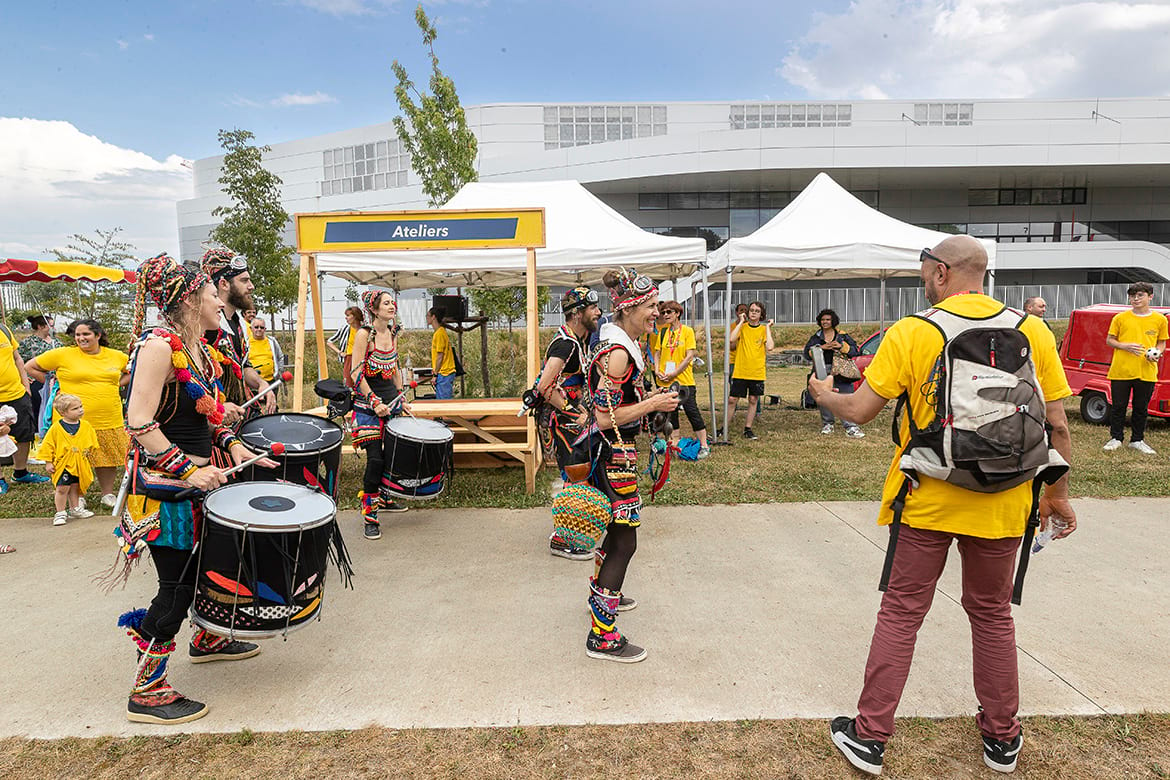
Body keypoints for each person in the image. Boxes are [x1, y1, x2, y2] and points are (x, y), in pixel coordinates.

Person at [810, 235, 1075, 776]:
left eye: (924, 269)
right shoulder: (1033, 330)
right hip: (1005, 500)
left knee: (903, 612)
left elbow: (860, 409)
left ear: (940, 272)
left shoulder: (915, 330)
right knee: (993, 615)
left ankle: (870, 735)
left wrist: (822, 394)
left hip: (927, 495)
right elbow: (1059, 425)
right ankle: (1002, 738)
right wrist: (1057, 495)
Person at [113, 252, 276, 724]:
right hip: (165, 492)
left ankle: (207, 638)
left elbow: (202, 414)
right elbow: (139, 421)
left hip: (197, 482)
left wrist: (231, 443)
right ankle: (147, 690)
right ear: (189, 298)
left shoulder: (195, 347)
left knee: (209, 567)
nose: (216, 296)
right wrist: (187, 469)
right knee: (176, 587)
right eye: (209, 290)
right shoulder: (159, 347)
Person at [582, 268, 678, 663]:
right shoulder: (618, 353)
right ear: (629, 307)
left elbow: (617, 406)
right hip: (611, 454)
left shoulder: (622, 346)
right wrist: (652, 405)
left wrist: (648, 404)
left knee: (618, 538)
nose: (658, 312)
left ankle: (607, 599)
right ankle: (602, 636)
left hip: (616, 452)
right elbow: (605, 417)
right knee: (625, 540)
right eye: (652, 306)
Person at [26, 319, 130, 507]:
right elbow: (29, 366)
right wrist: (53, 386)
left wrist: (117, 384)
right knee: (72, 458)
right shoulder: (62, 354)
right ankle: (77, 496)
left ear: (98, 335)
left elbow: (133, 371)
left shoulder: (117, 356)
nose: (81, 338)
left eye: (86, 334)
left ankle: (107, 494)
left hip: (108, 417)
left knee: (106, 457)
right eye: (78, 335)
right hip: (71, 420)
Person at [535, 286, 603, 560]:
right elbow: (543, 386)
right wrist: (576, 413)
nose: (598, 312)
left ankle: (574, 534)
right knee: (574, 478)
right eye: (593, 308)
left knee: (579, 477)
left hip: (571, 424)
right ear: (577, 314)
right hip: (564, 424)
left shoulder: (578, 340)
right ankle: (563, 540)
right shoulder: (566, 344)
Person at [350, 290, 409, 539]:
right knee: (375, 459)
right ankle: (370, 516)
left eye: (392, 302)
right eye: (386, 303)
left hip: (391, 404)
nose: (391, 306)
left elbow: (394, 366)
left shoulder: (393, 332)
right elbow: (355, 373)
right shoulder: (365, 335)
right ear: (374, 309)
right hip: (367, 406)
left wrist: (401, 397)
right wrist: (374, 402)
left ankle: (384, 499)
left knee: (390, 456)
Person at [200, 248, 275, 416]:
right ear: (224, 284)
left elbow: (242, 366)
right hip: (214, 422)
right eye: (244, 280)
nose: (251, 286)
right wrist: (217, 407)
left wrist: (261, 383)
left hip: (237, 417)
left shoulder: (238, 323)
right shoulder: (206, 328)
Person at [1103, 281, 1168, 454]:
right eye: (1132, 295)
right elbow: (1109, 340)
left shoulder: (1160, 319)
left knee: (1141, 408)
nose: (1136, 298)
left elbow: (1162, 342)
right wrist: (1125, 346)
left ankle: (1137, 440)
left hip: (1146, 370)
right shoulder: (1120, 318)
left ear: (1150, 296)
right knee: (1118, 406)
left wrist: (1157, 353)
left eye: (1140, 295)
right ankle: (1116, 438)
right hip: (1121, 370)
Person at [651, 300, 709, 457]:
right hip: (665, 380)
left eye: (669, 312)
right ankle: (674, 443)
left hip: (684, 380)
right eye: (663, 312)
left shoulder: (687, 331)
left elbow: (690, 355)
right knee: (670, 413)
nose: (665, 315)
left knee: (692, 411)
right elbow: (657, 353)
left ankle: (704, 445)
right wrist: (657, 370)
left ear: (677, 313)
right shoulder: (663, 332)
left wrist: (675, 372)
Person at [0, 319, 52, 492]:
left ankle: (20, 472)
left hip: (16, 393)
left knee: (24, 432)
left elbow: (17, 358)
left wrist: (26, 386)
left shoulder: (4, 330)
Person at [35, 393, 97, 525]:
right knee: (62, 488)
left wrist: (88, 452)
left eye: (81, 407)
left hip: (79, 463)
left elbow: (91, 441)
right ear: (63, 412)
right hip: (63, 464)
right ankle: (60, 512)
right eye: (75, 409)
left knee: (75, 486)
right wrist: (48, 462)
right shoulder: (56, 428)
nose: (80, 410)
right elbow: (48, 445)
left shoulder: (85, 425)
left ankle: (74, 508)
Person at [803, 308, 865, 438]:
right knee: (824, 398)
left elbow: (856, 351)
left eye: (828, 320)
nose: (825, 322)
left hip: (841, 370)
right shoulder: (816, 337)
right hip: (822, 369)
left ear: (833, 321)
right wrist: (821, 348)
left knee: (846, 397)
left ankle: (851, 426)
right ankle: (827, 424)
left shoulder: (842, 335)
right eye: (823, 320)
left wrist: (842, 347)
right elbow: (806, 354)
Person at [725, 301, 773, 440]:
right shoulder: (742, 327)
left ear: (761, 314)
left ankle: (748, 428)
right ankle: (724, 428)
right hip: (741, 370)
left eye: (757, 311)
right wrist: (741, 321)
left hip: (756, 371)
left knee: (753, 399)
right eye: (751, 310)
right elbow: (731, 339)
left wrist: (768, 327)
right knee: (732, 399)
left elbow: (769, 347)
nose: (753, 312)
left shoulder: (763, 330)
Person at [18, 314, 62, 431]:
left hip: (54, 381)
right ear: (40, 327)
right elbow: (17, 360)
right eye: (50, 326)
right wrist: (22, 377)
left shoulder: (56, 342)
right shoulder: (28, 343)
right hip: (35, 380)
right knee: (38, 408)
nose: (53, 329)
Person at [328, 307, 364, 388]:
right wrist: (340, 352)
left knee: (362, 383)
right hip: (349, 358)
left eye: (348, 315)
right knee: (348, 383)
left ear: (355, 316)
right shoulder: (345, 328)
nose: (346, 318)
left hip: (362, 359)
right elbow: (330, 341)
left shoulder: (364, 329)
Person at [427, 307, 458, 399]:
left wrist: (435, 374)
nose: (426, 318)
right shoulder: (439, 332)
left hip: (444, 373)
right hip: (443, 372)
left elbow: (440, 356)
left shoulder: (439, 334)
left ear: (433, 317)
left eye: (428, 315)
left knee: (443, 403)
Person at [248, 317, 285, 384]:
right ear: (251, 329)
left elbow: (280, 357)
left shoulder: (272, 341)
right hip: (253, 383)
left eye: (262, 327)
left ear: (265, 329)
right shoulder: (246, 343)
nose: (259, 329)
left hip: (271, 381)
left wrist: (279, 372)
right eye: (256, 327)